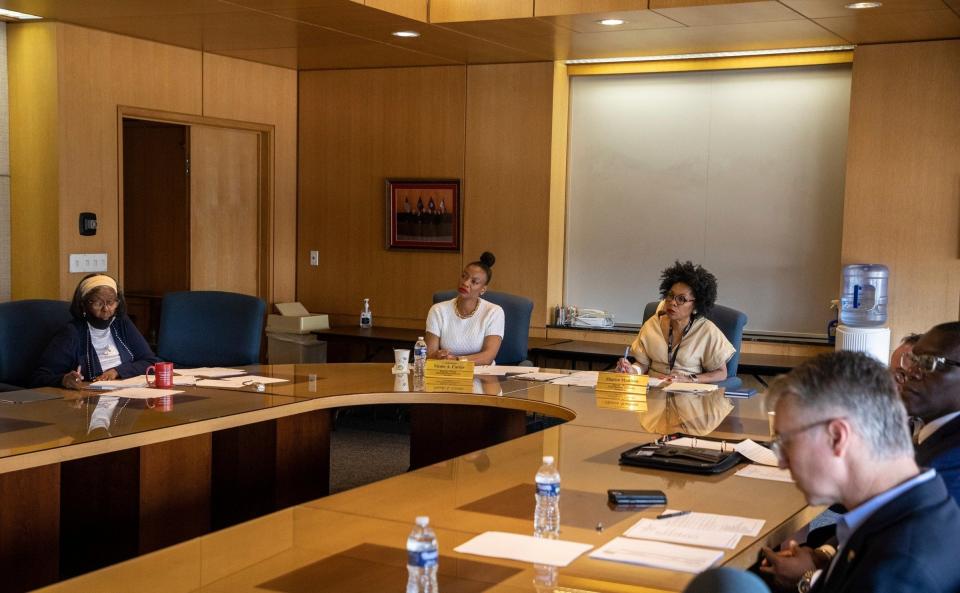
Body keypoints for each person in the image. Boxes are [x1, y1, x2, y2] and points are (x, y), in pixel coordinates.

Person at [761, 351, 960, 593]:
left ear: (837, 436)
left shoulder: (893, 573)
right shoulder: (922, 506)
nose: (782, 462)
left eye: (787, 443)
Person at [32, 274, 159, 389]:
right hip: (89, 401)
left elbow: (151, 361)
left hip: (128, 395)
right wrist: (63, 380)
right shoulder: (72, 333)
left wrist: (117, 371)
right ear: (83, 304)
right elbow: (40, 377)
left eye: (111, 302)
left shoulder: (121, 323)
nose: (106, 309)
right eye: (98, 303)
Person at [616, 261, 734, 383]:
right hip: (653, 392)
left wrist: (690, 379)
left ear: (696, 305)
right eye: (670, 296)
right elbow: (642, 364)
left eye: (681, 299)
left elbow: (721, 373)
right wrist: (632, 370)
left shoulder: (707, 331)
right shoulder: (652, 324)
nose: (672, 302)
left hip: (687, 393)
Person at [900, 322, 960, 504]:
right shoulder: (932, 433)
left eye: (929, 363)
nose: (911, 373)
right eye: (914, 360)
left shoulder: (947, 464)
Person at [425, 252, 504, 365]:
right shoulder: (438, 310)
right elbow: (430, 355)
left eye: (474, 282)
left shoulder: (494, 312)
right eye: (464, 276)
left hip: (483, 374)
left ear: (483, 289)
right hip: (447, 374)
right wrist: (438, 356)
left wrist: (456, 361)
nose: (465, 283)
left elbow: (488, 356)